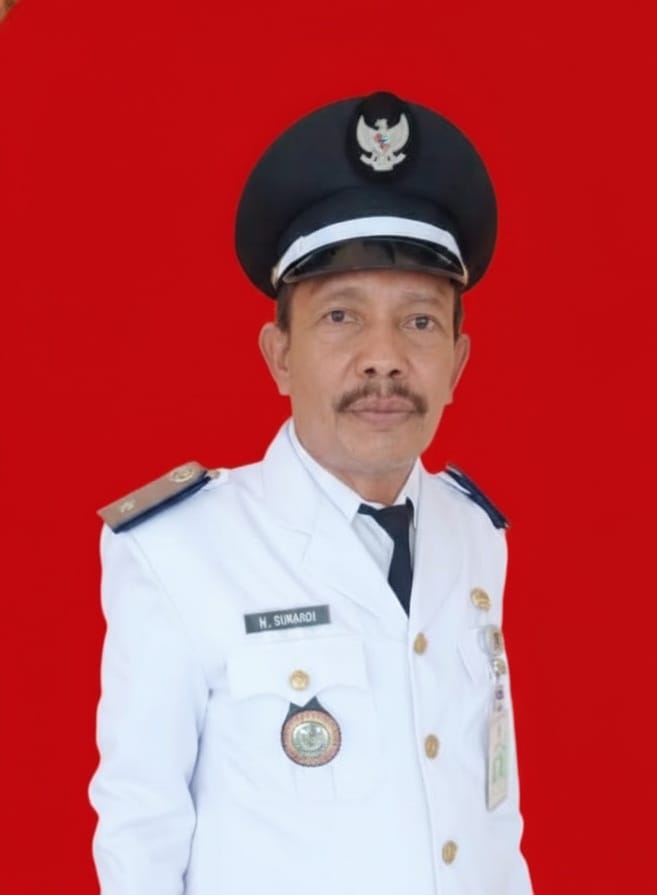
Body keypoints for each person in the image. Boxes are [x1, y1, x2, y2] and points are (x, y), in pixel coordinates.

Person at [90, 90, 533, 895]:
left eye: (419, 322)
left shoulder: (475, 534)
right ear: (279, 355)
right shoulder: (177, 554)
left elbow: (488, 807)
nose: (383, 358)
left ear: (458, 364)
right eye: (340, 316)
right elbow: (139, 835)